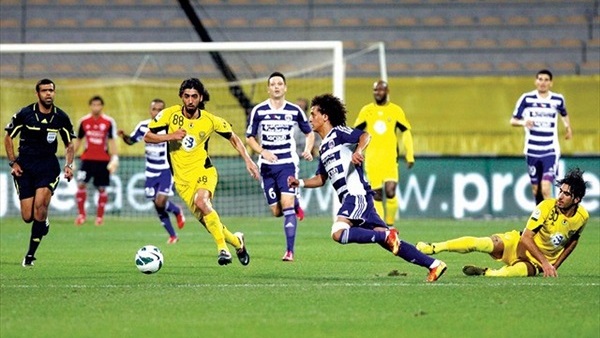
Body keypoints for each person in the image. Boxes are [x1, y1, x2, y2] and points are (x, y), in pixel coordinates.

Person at [287, 94, 446, 282]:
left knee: (338, 232)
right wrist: (301, 182)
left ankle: (387, 235)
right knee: (390, 243)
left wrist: (358, 151)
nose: (310, 118)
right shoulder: (323, 148)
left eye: (313, 114)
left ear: (325, 117)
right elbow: (321, 179)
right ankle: (434, 265)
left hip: (355, 195)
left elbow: (365, 135)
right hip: (359, 199)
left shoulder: (339, 133)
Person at [144, 78, 259, 266]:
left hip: (204, 171)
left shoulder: (209, 120)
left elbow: (234, 138)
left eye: (194, 96)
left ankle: (223, 250)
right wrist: (170, 136)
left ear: (200, 98)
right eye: (187, 96)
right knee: (209, 222)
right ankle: (238, 242)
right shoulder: (169, 114)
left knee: (202, 201)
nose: (190, 100)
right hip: (182, 181)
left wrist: (248, 160)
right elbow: (148, 136)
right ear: (181, 96)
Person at [416, 168, 589, 277]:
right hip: (518, 243)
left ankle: (485, 273)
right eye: (560, 191)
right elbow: (526, 238)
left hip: (535, 262)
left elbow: (573, 240)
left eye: (566, 194)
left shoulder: (582, 217)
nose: (560, 196)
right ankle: (433, 248)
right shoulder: (546, 206)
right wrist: (547, 263)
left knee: (515, 273)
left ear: (577, 199)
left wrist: (554, 265)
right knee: (482, 243)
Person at [4, 78, 76, 267]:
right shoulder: (25, 114)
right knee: (28, 216)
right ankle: (42, 224)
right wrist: (13, 162)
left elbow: (69, 144)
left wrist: (69, 165)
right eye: (44, 91)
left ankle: (30, 256)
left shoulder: (61, 117)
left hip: (48, 167)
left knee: (40, 209)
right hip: (25, 167)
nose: (48, 94)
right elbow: (8, 137)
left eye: (51, 90)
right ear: (38, 94)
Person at [246, 72, 315, 262]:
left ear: (285, 88)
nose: (276, 87)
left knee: (287, 207)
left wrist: (308, 149)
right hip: (267, 166)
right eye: (273, 84)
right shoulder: (258, 111)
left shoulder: (294, 111)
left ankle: (289, 251)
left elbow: (309, 133)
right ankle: (296, 203)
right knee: (276, 211)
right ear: (268, 89)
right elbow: (249, 137)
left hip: (287, 164)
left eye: (280, 84)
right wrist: (262, 151)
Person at [117, 98, 186, 244]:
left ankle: (177, 211)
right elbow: (131, 141)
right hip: (150, 172)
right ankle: (173, 234)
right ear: (150, 111)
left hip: (166, 169)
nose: (157, 112)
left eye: (160, 110)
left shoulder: (170, 126)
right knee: (157, 205)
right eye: (154, 109)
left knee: (160, 201)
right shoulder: (143, 126)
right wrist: (124, 136)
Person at [354, 80, 414, 227]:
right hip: (372, 160)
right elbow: (356, 132)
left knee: (391, 191)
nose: (378, 93)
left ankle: (390, 223)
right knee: (377, 195)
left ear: (387, 92)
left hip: (390, 159)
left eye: (381, 90)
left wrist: (410, 154)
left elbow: (406, 132)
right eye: (375, 90)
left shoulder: (395, 110)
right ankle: (382, 227)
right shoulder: (366, 111)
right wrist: (356, 151)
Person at [510, 69, 572, 204]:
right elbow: (513, 120)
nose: (542, 82)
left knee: (545, 188)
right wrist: (523, 122)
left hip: (550, 150)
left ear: (551, 83)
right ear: (535, 81)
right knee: (535, 190)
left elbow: (564, 113)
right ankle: (540, 219)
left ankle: (551, 220)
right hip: (532, 150)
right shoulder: (526, 99)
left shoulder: (557, 99)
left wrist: (568, 127)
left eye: (546, 80)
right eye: (540, 79)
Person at [73, 95, 119, 226]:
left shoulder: (109, 122)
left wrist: (114, 157)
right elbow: (79, 141)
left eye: (98, 105)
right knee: (81, 184)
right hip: (87, 160)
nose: (96, 107)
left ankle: (99, 217)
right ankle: (81, 215)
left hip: (103, 160)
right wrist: (70, 158)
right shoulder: (84, 121)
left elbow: (112, 141)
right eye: (93, 105)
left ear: (102, 106)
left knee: (102, 188)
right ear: (90, 106)